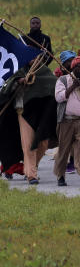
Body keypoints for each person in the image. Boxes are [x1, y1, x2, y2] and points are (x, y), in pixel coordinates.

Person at [0, 56, 59, 184]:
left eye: (36, 57)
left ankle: (31, 166)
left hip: (41, 113)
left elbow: (53, 85)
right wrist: (18, 82)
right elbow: (6, 89)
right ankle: (31, 175)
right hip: (23, 112)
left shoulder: (44, 72)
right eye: (31, 56)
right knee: (28, 144)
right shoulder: (18, 71)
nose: (33, 59)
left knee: (43, 143)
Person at [54, 57, 80, 186]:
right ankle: (60, 176)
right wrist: (73, 87)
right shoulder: (63, 80)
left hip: (79, 122)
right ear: (73, 68)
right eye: (79, 67)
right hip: (66, 121)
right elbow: (59, 97)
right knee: (63, 151)